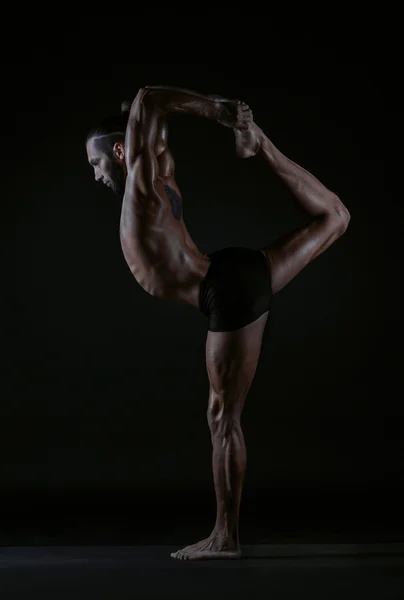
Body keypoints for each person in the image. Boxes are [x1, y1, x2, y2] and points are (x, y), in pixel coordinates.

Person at [85, 86, 351, 560]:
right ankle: (261, 145)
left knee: (221, 416)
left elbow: (148, 99)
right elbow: (151, 115)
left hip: (226, 292)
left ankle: (224, 539)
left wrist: (220, 111)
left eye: (95, 163)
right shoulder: (160, 172)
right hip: (234, 272)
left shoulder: (144, 186)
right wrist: (153, 113)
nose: (95, 174)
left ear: (121, 151)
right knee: (335, 216)